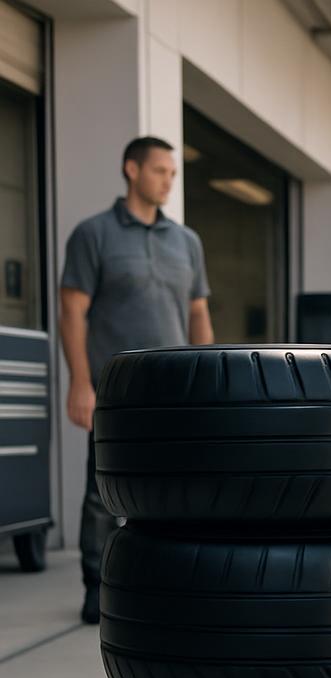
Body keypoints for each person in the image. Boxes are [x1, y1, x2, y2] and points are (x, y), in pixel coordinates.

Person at [60, 136, 214, 625]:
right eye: (160, 171)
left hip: (176, 392)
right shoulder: (94, 234)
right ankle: (97, 588)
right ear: (131, 170)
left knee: (175, 493)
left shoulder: (187, 241)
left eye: (172, 173)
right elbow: (72, 311)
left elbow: (198, 312)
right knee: (103, 494)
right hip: (117, 390)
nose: (169, 180)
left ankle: (166, 582)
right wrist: (81, 383)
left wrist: (211, 376)